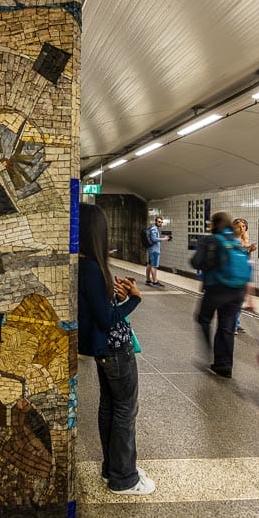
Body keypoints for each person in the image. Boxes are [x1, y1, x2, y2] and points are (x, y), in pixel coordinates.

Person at [78, 203, 155, 495]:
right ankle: (125, 478)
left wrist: (113, 295)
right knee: (125, 410)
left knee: (110, 407)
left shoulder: (82, 265)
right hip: (116, 349)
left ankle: (113, 469)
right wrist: (133, 299)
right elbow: (107, 319)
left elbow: (96, 307)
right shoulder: (93, 269)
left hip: (101, 351)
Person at [193, 211, 252, 378]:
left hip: (217, 289)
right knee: (227, 327)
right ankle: (224, 365)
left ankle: (207, 352)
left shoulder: (210, 240)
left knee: (203, 319)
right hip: (237, 292)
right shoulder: (236, 240)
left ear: (214, 224)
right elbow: (247, 268)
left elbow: (195, 262)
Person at [231, 218, 256, 333]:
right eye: (239, 226)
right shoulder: (232, 240)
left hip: (245, 273)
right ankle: (233, 324)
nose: (242, 229)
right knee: (236, 301)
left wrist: (250, 249)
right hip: (235, 274)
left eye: (244, 226)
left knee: (240, 300)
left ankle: (235, 322)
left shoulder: (245, 240)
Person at [145, 216, 170, 287]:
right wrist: (163, 239)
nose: (160, 223)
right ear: (156, 222)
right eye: (159, 222)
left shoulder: (153, 228)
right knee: (154, 266)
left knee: (149, 265)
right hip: (154, 250)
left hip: (151, 249)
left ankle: (148, 280)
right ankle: (155, 282)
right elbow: (154, 239)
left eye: (161, 222)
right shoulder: (154, 229)